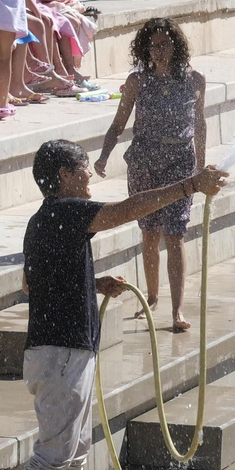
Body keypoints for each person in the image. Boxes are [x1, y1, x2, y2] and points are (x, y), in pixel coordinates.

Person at [0, 140, 226, 470]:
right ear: (65, 176)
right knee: (52, 459)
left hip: (63, 353)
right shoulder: (65, 210)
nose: (90, 177)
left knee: (70, 463)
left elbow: (34, 280)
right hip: (60, 355)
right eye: (84, 170)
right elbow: (127, 210)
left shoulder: (42, 220)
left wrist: (91, 282)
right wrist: (190, 184)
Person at [94, 19, 208, 332]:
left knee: (175, 234)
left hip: (180, 165)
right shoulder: (137, 82)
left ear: (177, 46)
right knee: (150, 232)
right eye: (153, 46)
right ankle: (153, 296)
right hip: (145, 163)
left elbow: (199, 125)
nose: (158, 51)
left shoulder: (195, 80)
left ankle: (177, 310)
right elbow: (118, 125)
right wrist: (104, 155)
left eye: (164, 44)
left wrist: (201, 169)